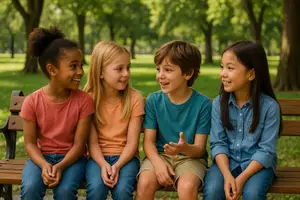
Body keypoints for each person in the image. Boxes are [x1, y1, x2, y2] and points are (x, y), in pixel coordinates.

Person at [20, 26, 94, 200]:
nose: (80, 72)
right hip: (41, 158)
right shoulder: (32, 101)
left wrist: (60, 166)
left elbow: (79, 145)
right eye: (73, 66)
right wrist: (44, 164)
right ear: (52, 70)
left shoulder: (84, 101)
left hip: (73, 159)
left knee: (65, 191)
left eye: (81, 65)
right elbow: (30, 144)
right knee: (30, 188)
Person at [203, 41, 282, 200]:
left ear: (251, 74)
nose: (223, 74)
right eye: (222, 67)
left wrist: (241, 178)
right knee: (212, 191)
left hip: (257, 166)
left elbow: (266, 150)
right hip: (226, 163)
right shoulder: (219, 103)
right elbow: (218, 143)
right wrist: (227, 175)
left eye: (230, 68)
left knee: (252, 194)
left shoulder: (270, 107)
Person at [136, 40, 211, 200]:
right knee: (145, 183)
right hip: (159, 156)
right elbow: (148, 143)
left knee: (187, 187)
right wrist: (157, 163)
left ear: (188, 73)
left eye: (168, 70)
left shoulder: (202, 104)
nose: (160, 76)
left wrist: (184, 148)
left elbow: (199, 149)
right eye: (158, 69)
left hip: (190, 159)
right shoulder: (153, 100)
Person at [84, 41, 144, 200]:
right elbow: (92, 143)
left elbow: (132, 143)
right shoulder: (88, 100)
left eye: (128, 67)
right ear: (100, 72)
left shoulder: (134, 99)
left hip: (126, 158)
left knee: (123, 190)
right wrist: (104, 164)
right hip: (97, 157)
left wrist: (117, 166)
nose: (126, 73)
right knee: (96, 189)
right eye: (119, 69)